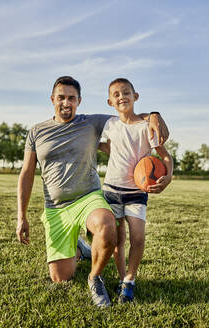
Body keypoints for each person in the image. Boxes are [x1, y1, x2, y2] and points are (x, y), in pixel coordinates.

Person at [16, 76, 169, 307]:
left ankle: (94, 277)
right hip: (56, 208)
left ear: (79, 101)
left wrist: (154, 115)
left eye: (71, 98)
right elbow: (26, 173)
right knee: (60, 278)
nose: (66, 103)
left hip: (88, 197)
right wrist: (21, 216)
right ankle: (81, 249)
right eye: (61, 98)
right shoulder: (37, 131)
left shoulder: (91, 122)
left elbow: (128, 115)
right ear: (52, 99)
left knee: (109, 227)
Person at [101, 78, 173, 304]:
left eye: (126, 93)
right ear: (110, 101)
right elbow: (107, 146)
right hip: (111, 189)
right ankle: (124, 281)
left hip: (136, 192)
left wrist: (168, 176)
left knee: (138, 238)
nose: (121, 97)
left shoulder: (146, 127)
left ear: (135, 97)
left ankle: (131, 279)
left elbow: (165, 155)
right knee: (117, 240)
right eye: (116, 94)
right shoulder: (109, 125)